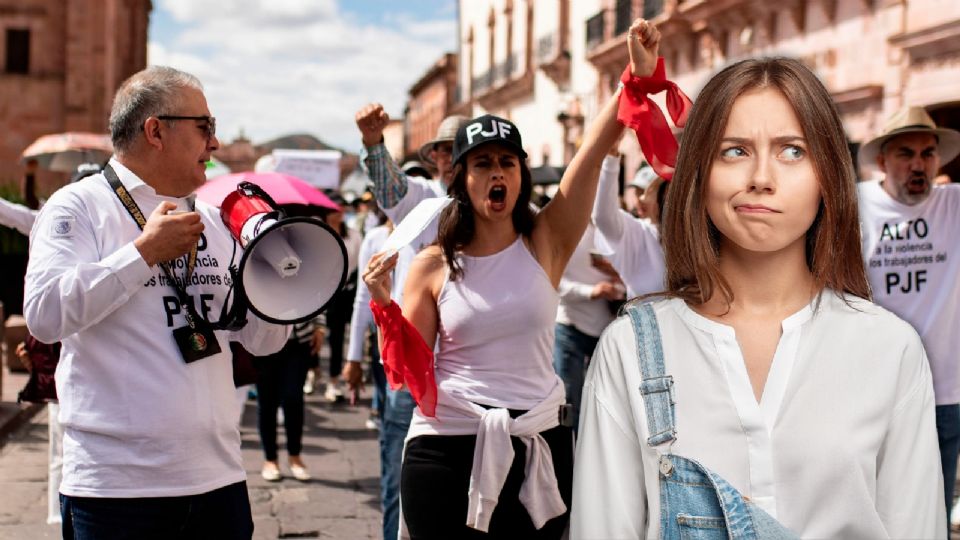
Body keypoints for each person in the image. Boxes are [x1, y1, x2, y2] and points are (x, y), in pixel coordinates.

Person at [571, 24, 945, 538]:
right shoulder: (629, 351)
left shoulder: (890, 349)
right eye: (734, 151)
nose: (762, 177)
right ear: (698, 177)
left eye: (793, 150)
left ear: (827, 177)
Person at [361, 23, 654, 539]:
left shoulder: (547, 241)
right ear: (462, 179)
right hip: (445, 447)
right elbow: (411, 370)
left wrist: (635, 76)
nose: (496, 172)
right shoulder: (433, 263)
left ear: (520, 175)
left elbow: (591, 151)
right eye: (481, 164)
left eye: (506, 162)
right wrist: (384, 304)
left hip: (536, 443)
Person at [24, 66, 290, 539]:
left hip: (218, 477)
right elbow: (45, 317)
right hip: (116, 489)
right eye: (205, 126)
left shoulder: (215, 219)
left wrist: (286, 289)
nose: (216, 144)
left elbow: (262, 341)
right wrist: (144, 254)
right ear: (155, 131)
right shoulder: (77, 206)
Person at [353, 111, 469, 540]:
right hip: (414, 362)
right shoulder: (421, 199)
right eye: (442, 149)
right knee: (398, 479)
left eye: (458, 149)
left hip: (466, 373)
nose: (449, 158)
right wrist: (373, 143)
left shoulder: (496, 208)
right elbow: (389, 187)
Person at [856, 105, 960, 524]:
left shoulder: (953, 206)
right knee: (873, 512)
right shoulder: (853, 206)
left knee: (932, 514)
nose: (919, 164)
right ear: (882, 161)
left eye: (928, 153)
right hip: (872, 390)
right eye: (906, 153)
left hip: (944, 393)